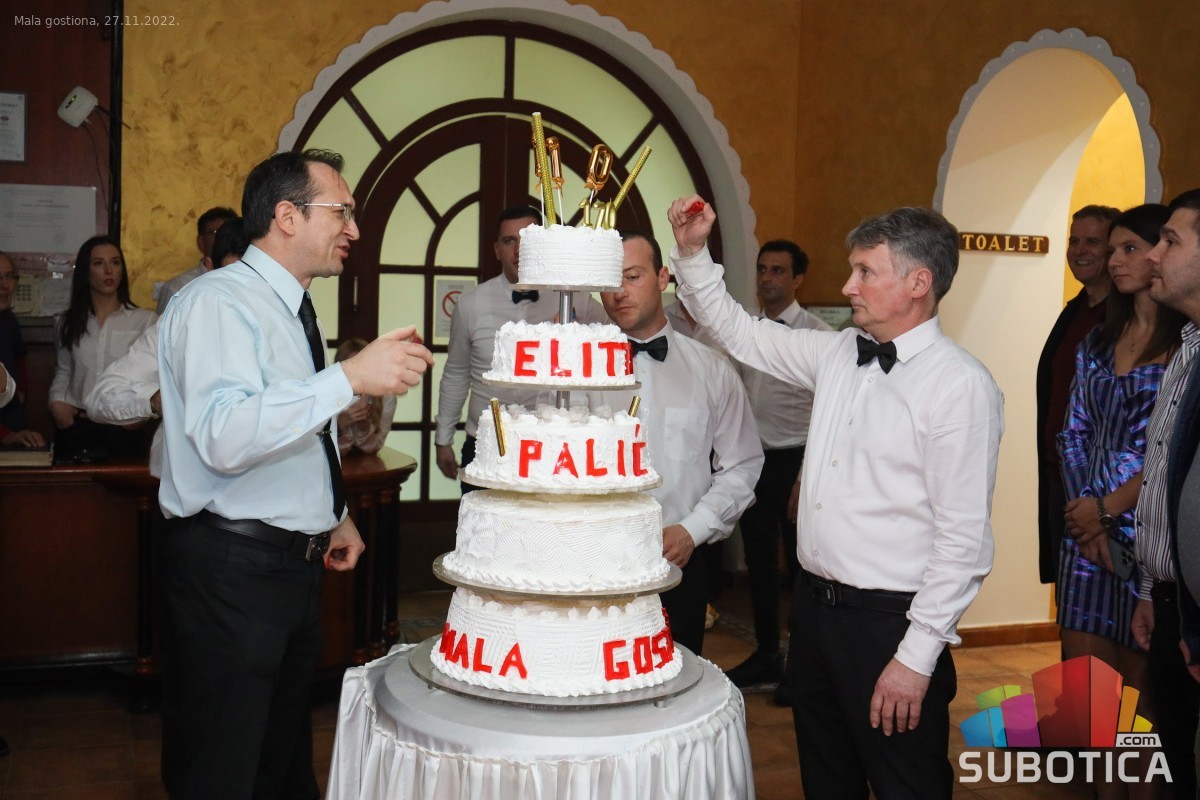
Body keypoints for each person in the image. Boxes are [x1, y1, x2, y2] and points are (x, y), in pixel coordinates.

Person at [669, 197, 1003, 799]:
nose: (848, 287)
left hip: (890, 624)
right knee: (826, 781)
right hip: (815, 615)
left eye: (865, 272)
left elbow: (963, 541)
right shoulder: (837, 352)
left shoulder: (960, 385)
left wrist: (915, 659)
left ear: (918, 283)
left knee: (906, 784)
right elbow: (738, 332)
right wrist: (693, 253)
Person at [155, 148, 433, 799]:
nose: (354, 230)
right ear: (287, 216)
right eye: (342, 212)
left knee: (278, 765)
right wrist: (348, 378)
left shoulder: (292, 306)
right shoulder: (218, 302)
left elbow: (292, 427)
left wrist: (333, 513)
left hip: (286, 571)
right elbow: (224, 435)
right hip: (231, 572)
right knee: (222, 768)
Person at [1057, 204, 1182, 798]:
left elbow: (1169, 448)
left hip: (1147, 534)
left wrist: (1109, 510)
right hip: (1086, 536)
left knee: (1142, 702)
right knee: (1090, 700)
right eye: (1114, 250)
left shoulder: (1186, 346)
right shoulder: (1097, 339)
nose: (1114, 260)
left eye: (1129, 248)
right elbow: (1072, 431)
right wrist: (1087, 515)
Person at [592, 230, 761, 655]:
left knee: (678, 678)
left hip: (681, 558)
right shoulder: (580, 369)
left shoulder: (712, 369)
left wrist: (693, 529)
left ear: (663, 278)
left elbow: (742, 464)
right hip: (594, 560)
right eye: (609, 282)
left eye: (632, 276)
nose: (618, 293)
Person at [719, 239, 832, 698]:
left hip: (797, 461)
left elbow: (826, 417)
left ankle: (800, 668)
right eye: (763, 269)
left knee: (802, 571)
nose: (767, 278)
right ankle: (767, 653)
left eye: (778, 271)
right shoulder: (747, 331)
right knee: (759, 565)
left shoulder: (818, 337)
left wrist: (805, 476)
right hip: (754, 459)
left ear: (798, 279)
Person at [434, 206, 609, 491]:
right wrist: (443, 438)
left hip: (552, 446)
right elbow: (456, 373)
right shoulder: (470, 304)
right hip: (485, 443)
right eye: (509, 241)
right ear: (497, 250)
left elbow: (616, 340)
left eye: (527, 239)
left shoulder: (574, 297)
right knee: (481, 519)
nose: (518, 250)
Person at [1129, 190, 1200, 800]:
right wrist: (1156, 588)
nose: (1154, 254)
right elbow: (1164, 481)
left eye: (1171, 241)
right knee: (1174, 761)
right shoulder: (1187, 350)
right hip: (1175, 601)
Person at [85, 217, 249, 475]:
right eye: (230, 279)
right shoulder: (180, 323)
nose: (243, 291)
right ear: (209, 269)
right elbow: (101, 397)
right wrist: (157, 400)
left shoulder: (295, 323)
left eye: (253, 279)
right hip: (188, 481)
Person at [1037, 205, 1121, 584]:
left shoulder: (1125, 319)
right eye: (1074, 240)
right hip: (1061, 474)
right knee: (1070, 594)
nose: (1079, 250)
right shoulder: (1074, 311)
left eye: (1092, 241)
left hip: (1105, 487)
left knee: (1101, 597)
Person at [49, 235, 156, 460]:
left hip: (123, 426)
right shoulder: (66, 322)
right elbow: (64, 370)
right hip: (77, 423)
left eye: (115, 262)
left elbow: (152, 376)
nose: (109, 270)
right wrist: (56, 401)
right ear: (85, 272)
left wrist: (141, 415)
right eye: (98, 263)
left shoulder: (145, 321)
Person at [156, 206, 238, 314]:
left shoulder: (248, 282)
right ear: (201, 241)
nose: (223, 239)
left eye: (228, 234)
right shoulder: (177, 288)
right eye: (215, 232)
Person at [334, 337, 397, 456]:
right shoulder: (329, 393)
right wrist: (339, 424)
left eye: (364, 367)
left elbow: (375, 447)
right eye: (352, 368)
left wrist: (364, 427)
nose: (359, 374)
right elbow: (322, 447)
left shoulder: (386, 395)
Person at [0, 253, 29, 433]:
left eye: (10, 276)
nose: (5, 285)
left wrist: (21, 391)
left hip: (11, 415)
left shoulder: (9, 320)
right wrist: (5, 435)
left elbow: (19, 359)